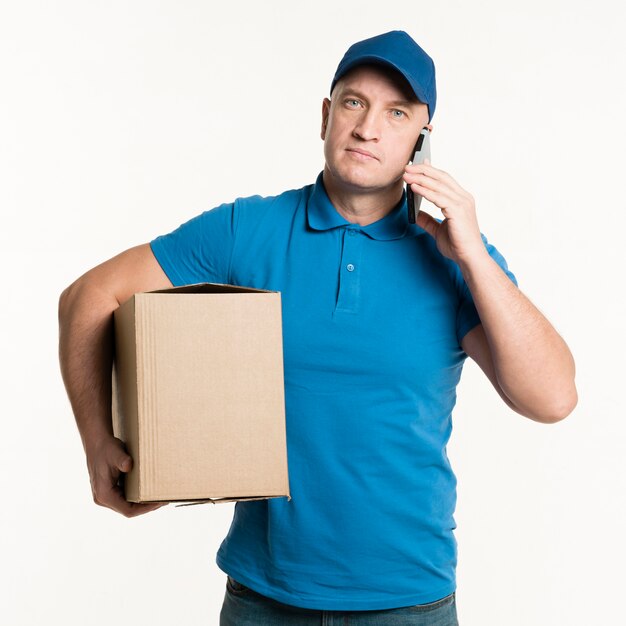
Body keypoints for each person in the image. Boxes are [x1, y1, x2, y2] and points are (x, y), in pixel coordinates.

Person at [58, 30, 577, 626]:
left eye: (397, 113)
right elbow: (88, 296)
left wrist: (475, 259)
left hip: (408, 601)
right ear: (327, 115)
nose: (368, 128)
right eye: (354, 103)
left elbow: (552, 398)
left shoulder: (458, 258)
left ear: (421, 141)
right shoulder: (246, 229)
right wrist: (98, 441)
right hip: (263, 596)